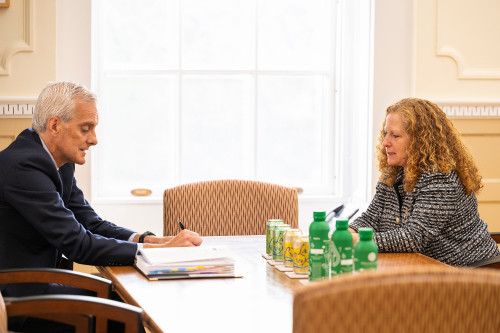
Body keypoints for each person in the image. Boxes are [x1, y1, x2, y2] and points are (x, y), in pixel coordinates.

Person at [0, 81, 202, 331]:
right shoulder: (24, 168)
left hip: (44, 284)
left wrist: (148, 241)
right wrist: (157, 254)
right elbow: (77, 244)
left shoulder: (55, 161)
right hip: (19, 298)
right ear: (54, 125)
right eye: (86, 129)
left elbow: (90, 223)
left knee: (130, 304)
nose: (94, 140)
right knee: (125, 314)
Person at [349, 97, 499, 266]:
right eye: (386, 133)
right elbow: (371, 219)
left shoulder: (440, 178)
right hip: (425, 269)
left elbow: (413, 238)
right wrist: (346, 232)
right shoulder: (394, 173)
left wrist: (357, 240)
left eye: (395, 135)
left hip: (468, 275)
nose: (385, 142)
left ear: (418, 140)